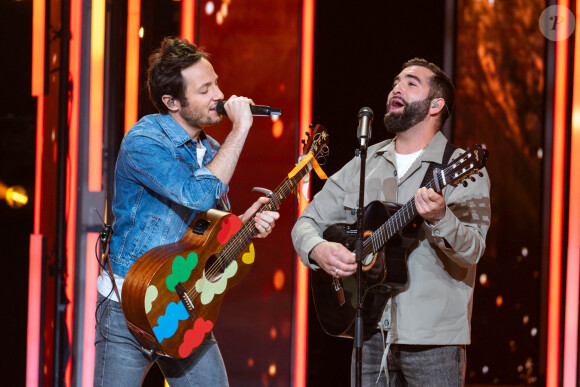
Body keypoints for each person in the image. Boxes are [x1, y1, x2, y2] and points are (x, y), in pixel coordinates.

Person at [291, 58, 491, 386]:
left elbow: (472, 251)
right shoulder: (365, 162)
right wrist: (319, 250)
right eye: (396, 82)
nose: (396, 88)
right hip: (368, 333)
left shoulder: (460, 167)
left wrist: (441, 218)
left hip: (433, 343)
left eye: (411, 83)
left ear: (435, 104)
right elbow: (307, 221)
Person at [93, 37, 280, 386]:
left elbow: (205, 235)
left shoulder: (210, 150)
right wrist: (240, 128)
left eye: (217, 84)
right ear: (172, 102)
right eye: (205, 89)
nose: (219, 96)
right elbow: (196, 195)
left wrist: (245, 224)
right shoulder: (144, 141)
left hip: (181, 304)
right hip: (128, 307)